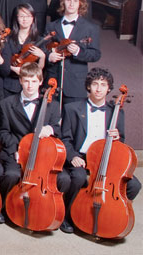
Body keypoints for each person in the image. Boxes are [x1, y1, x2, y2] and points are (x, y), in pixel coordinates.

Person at [59, 67, 141, 234]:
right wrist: (73, 156)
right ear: (88, 86)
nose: (98, 88)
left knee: (134, 185)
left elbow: (121, 142)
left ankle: (111, 213)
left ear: (109, 88)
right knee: (78, 177)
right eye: (95, 84)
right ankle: (67, 216)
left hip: (105, 157)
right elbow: (65, 139)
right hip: (81, 157)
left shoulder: (116, 111)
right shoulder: (72, 108)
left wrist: (117, 138)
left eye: (103, 85)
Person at [0, 62, 69, 226]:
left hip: (43, 154)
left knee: (63, 179)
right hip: (17, 151)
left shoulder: (53, 105)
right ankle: (2, 207)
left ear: (41, 82)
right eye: (26, 81)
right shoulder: (6, 103)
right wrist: (16, 149)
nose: (30, 85)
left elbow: (59, 130)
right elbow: (3, 132)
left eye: (34, 81)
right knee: (11, 175)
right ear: (20, 81)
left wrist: (50, 128)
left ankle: (59, 213)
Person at [44, 0, 101, 104]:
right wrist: (49, 56)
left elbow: (96, 54)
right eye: (69, 0)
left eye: (75, 1)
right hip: (53, 79)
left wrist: (78, 52)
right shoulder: (51, 26)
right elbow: (42, 48)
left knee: (73, 119)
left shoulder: (90, 28)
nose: (71, 4)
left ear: (80, 4)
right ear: (63, 2)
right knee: (50, 118)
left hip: (76, 84)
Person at [4, 4, 47, 97]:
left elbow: (39, 70)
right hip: (10, 84)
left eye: (28, 16)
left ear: (33, 18)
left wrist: (42, 56)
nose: (25, 19)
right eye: (21, 16)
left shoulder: (39, 40)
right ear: (17, 18)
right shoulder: (8, 38)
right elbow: (3, 62)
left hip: (30, 86)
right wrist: (13, 68)